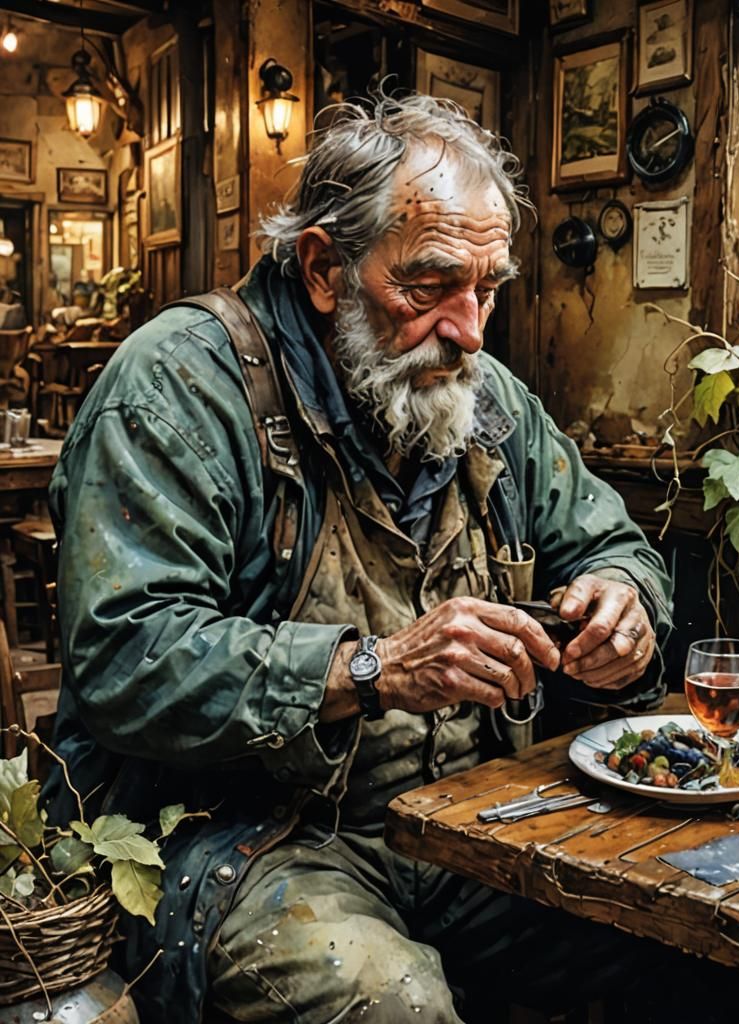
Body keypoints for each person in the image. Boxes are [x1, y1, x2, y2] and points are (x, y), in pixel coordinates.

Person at [46, 94, 674, 1022]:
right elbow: (124, 657)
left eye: (488, 287)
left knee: (673, 930)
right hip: (239, 839)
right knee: (389, 1001)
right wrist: (369, 668)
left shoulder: (485, 396)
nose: (469, 329)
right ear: (323, 268)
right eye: (430, 286)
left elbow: (615, 544)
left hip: (465, 822)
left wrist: (624, 601)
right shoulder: (177, 387)